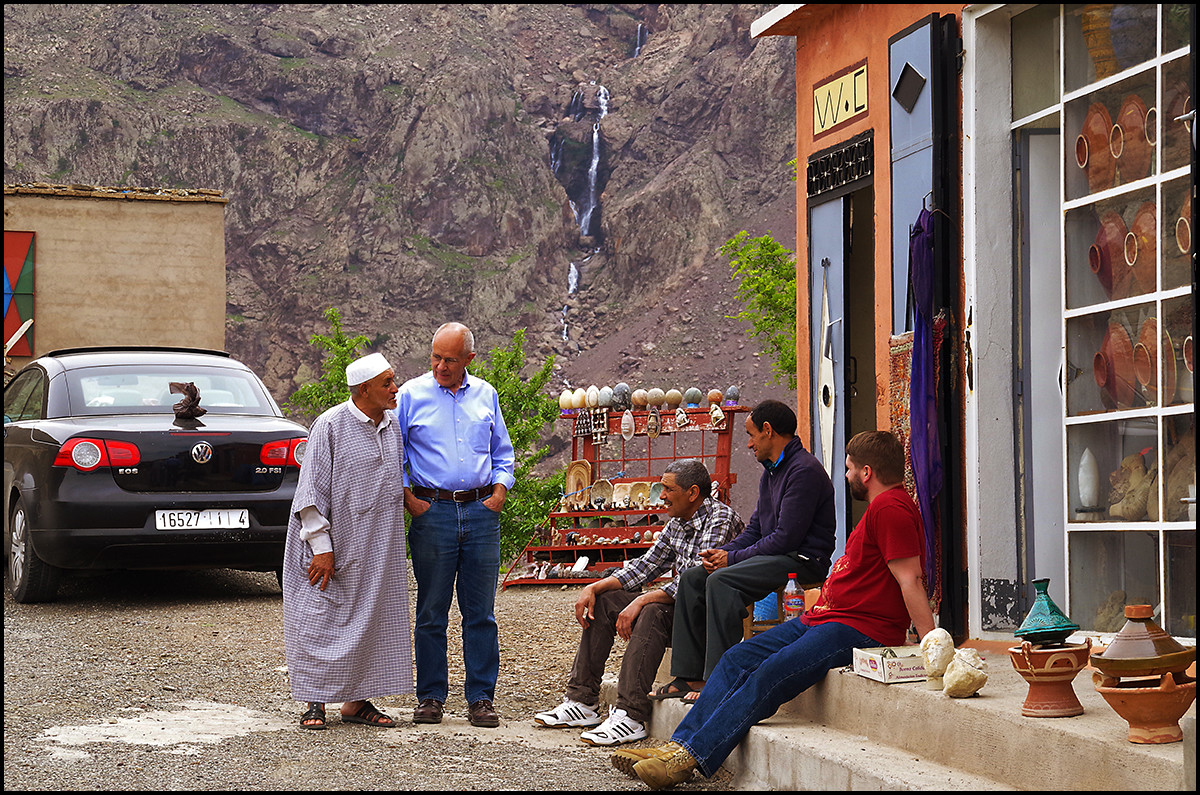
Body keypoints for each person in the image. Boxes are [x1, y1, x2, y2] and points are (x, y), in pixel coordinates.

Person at [617, 430, 935, 789]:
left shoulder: (891, 509)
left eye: (847, 469)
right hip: (825, 617)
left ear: (866, 472)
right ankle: (678, 745)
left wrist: (932, 647)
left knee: (770, 672)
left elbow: (910, 579)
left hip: (858, 626)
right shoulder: (882, 507)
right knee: (738, 658)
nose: (845, 477)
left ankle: (689, 758)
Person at [533, 459, 744, 746]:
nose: (663, 495)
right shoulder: (677, 524)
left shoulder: (720, 518)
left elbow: (695, 579)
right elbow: (644, 567)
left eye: (668, 489)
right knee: (607, 600)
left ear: (693, 493)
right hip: (680, 611)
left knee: (653, 611)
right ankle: (582, 700)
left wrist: (642, 600)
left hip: (704, 620)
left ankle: (630, 715)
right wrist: (594, 586)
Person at [656, 400, 835, 702]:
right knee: (694, 577)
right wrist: (721, 553)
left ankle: (719, 680)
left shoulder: (803, 471)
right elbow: (755, 530)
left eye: (752, 435)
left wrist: (732, 560)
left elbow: (785, 540)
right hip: (778, 555)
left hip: (803, 560)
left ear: (768, 431)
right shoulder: (771, 473)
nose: (749, 444)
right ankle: (689, 676)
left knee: (722, 581)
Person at [282, 352, 413, 730]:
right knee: (319, 617)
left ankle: (357, 703)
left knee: (372, 619)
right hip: (330, 541)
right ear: (363, 389)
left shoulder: (391, 425)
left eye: (393, 380)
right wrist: (321, 547)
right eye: (387, 383)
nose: (394, 389)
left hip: (376, 545)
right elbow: (310, 492)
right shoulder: (330, 426)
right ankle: (315, 701)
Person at [396, 322, 515, 729]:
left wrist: (498, 494)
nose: (440, 366)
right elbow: (391, 450)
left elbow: (503, 450)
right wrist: (410, 500)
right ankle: (430, 696)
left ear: (469, 359)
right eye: (435, 357)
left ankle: (481, 698)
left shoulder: (486, 394)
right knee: (431, 611)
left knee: (480, 613)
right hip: (434, 512)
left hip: (482, 511)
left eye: (449, 359)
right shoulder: (411, 394)